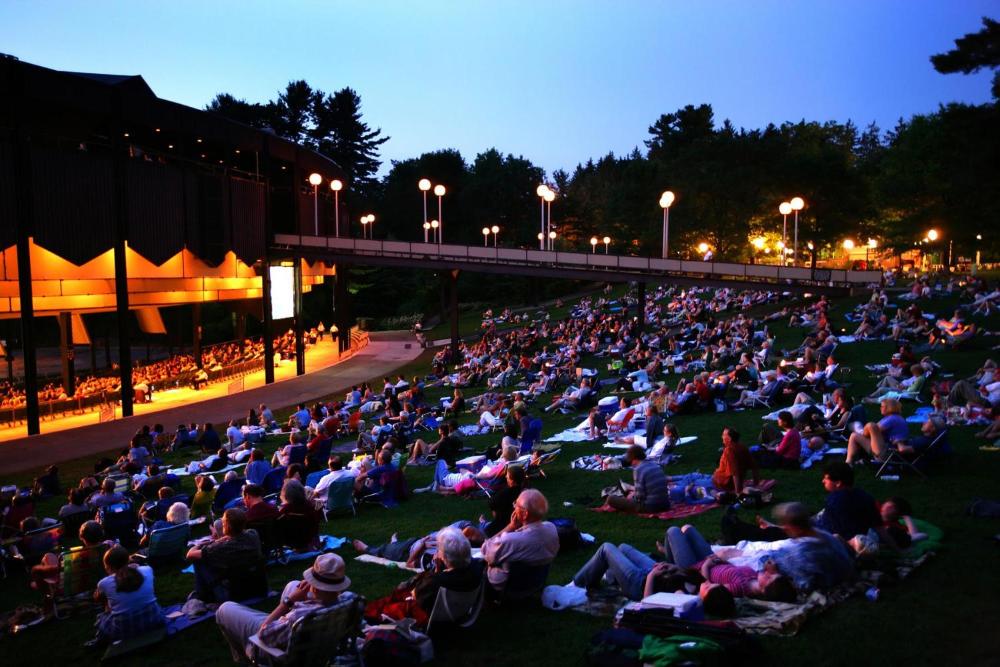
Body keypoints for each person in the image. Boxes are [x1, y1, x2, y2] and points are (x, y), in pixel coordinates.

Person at [215, 553, 356, 663]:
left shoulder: (298, 619)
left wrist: (288, 602)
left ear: (314, 586)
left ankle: (244, 659)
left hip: (277, 652)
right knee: (293, 585)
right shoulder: (350, 599)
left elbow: (262, 634)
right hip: (322, 640)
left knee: (225, 609)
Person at [481, 489, 560, 593]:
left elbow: (485, 550)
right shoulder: (551, 528)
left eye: (516, 504)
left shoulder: (510, 540)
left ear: (525, 514)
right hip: (536, 582)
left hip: (507, 587)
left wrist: (510, 527)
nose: (514, 507)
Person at [91, 545, 165, 646]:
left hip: (123, 630)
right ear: (128, 560)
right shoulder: (147, 569)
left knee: (101, 617)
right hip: (155, 620)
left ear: (108, 567)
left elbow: (99, 599)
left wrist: (99, 598)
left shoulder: (104, 583)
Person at [186, 508, 262, 603]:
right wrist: (218, 541)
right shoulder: (253, 534)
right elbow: (237, 536)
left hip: (231, 594)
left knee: (198, 559)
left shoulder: (219, 549)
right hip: (256, 586)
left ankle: (201, 594)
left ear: (226, 525)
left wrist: (200, 544)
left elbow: (190, 554)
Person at [814, 462, 880, 540]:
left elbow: (828, 529)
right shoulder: (865, 496)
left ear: (838, 483)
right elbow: (877, 524)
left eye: (826, 478)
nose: (823, 481)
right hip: (859, 535)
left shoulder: (835, 500)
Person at [604, 446, 670, 513]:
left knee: (610, 499)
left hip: (651, 507)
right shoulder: (655, 465)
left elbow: (639, 497)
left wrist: (631, 497)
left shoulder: (638, 469)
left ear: (633, 458)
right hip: (666, 504)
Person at [846, 398, 909, 464]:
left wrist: (862, 431)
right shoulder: (896, 418)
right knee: (855, 435)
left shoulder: (892, 419)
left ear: (889, 407)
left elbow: (873, 429)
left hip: (888, 452)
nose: (880, 408)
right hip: (888, 449)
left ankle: (849, 462)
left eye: (882, 406)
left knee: (870, 426)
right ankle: (849, 462)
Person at [712, 428, 759, 494]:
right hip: (738, 481)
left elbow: (735, 473)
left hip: (724, 483)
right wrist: (756, 482)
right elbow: (754, 465)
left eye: (723, 435)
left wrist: (737, 492)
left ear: (729, 438)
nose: (722, 437)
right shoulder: (742, 447)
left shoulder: (729, 451)